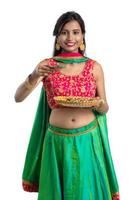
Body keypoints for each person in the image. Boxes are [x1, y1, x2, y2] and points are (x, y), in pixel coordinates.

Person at [14, 11, 120, 200]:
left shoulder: (94, 67)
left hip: (87, 139)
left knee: (86, 193)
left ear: (83, 37)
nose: (70, 38)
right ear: (57, 37)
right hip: (56, 142)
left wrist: (98, 103)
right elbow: (18, 97)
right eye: (64, 32)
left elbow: (104, 108)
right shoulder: (47, 66)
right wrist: (35, 74)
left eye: (76, 32)